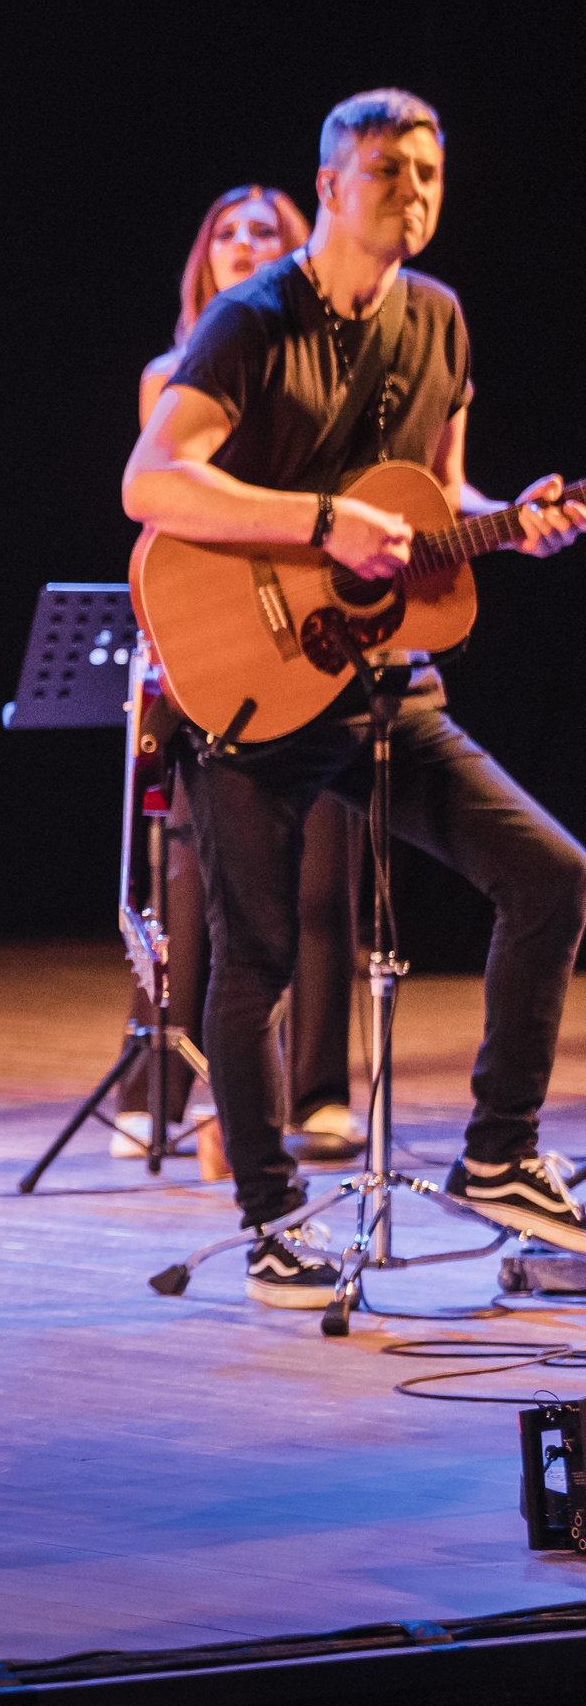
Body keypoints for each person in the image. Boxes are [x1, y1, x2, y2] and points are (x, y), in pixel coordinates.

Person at [123, 90, 586, 1307]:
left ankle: (496, 1153)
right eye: (388, 171)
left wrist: (509, 527)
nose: (414, 193)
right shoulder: (250, 319)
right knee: (256, 959)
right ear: (328, 185)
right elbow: (152, 482)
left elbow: (434, 496)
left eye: (430, 172)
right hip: (255, 682)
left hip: (382, 679)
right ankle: (273, 1219)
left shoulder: (439, 320)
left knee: (550, 874)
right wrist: (321, 521)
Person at [118, 184, 367, 1166]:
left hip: (317, 631)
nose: (244, 243)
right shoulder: (171, 373)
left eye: (264, 232)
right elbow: (168, 502)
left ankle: (317, 1093)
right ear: (203, 255)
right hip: (211, 632)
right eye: (225, 230)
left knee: (321, 878)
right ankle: (166, 1083)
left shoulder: (328, 369)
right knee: (191, 878)